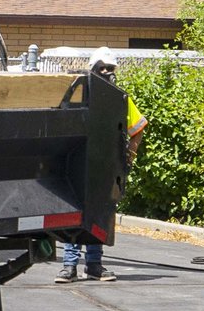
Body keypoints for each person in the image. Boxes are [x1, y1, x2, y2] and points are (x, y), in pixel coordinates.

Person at [56, 53, 149, 282]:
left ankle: (94, 265)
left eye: (110, 68)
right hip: (78, 164)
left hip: (105, 167)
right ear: (92, 70)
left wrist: (128, 158)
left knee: (99, 215)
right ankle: (69, 266)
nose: (107, 72)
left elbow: (138, 128)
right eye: (102, 68)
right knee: (75, 214)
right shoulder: (78, 95)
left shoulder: (120, 100)